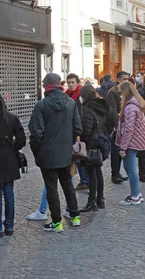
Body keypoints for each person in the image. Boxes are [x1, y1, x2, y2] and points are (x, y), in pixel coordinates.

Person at [29, 73, 83, 232]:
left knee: (51, 187)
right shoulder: (70, 103)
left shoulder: (42, 105)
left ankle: (57, 222)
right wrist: (68, 143)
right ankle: (75, 216)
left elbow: (35, 132)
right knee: (67, 185)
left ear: (46, 86)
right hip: (66, 153)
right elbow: (78, 128)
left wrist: (37, 149)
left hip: (47, 154)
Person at [78, 85, 114, 212]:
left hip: (91, 145)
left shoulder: (88, 109)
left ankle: (92, 201)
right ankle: (100, 199)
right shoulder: (101, 107)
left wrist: (82, 141)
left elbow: (86, 130)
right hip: (100, 142)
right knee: (98, 173)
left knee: (92, 174)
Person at [115, 81, 145, 205]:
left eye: (120, 92)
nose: (120, 95)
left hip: (131, 141)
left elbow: (128, 129)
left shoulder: (130, 107)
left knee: (130, 168)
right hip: (135, 140)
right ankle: (137, 193)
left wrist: (123, 147)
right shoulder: (136, 104)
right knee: (130, 168)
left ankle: (134, 195)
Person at [0, 93, 26, 237]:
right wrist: (12, 148)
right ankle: (9, 226)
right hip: (9, 158)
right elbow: (22, 139)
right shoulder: (12, 118)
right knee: (9, 192)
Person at [106, 71, 130, 184]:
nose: (126, 81)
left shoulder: (126, 91)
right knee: (115, 151)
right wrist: (117, 125)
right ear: (118, 80)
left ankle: (118, 172)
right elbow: (112, 111)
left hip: (124, 123)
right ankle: (114, 174)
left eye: (128, 79)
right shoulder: (113, 92)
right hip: (116, 126)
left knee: (121, 149)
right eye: (124, 79)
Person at [66, 73, 88, 190]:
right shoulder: (67, 95)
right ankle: (84, 179)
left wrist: (78, 132)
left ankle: (85, 180)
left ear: (77, 82)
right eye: (69, 82)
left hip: (78, 130)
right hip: (70, 130)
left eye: (73, 82)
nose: (70, 84)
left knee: (79, 155)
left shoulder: (79, 95)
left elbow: (80, 114)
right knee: (77, 156)